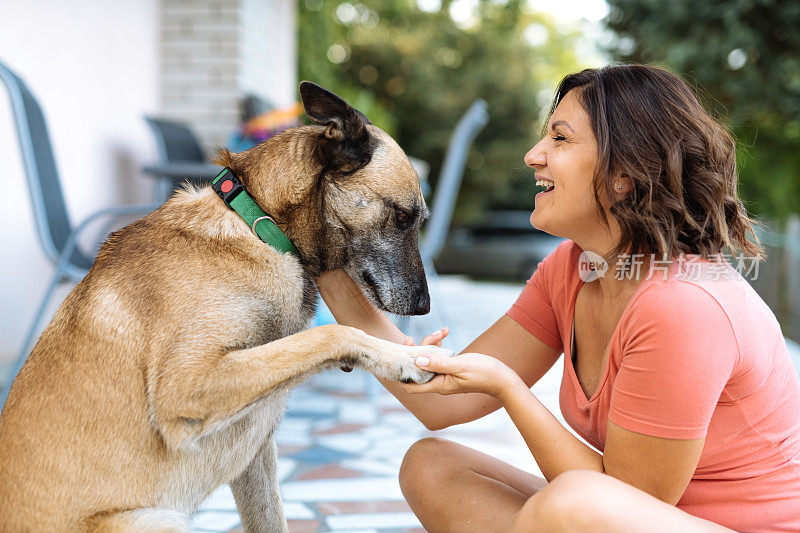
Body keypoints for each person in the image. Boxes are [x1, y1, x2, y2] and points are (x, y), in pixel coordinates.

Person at [315, 64, 800, 532]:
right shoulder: (571, 269)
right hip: (610, 515)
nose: (533, 154)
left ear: (623, 175)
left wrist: (508, 387)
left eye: (560, 138)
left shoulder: (683, 304)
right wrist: (322, 262)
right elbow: (441, 405)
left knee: (570, 505)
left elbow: (623, 506)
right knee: (432, 465)